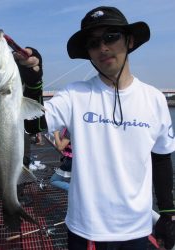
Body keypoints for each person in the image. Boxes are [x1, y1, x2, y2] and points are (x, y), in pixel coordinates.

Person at [14, 6, 175, 250]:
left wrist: (167, 212)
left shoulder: (154, 99)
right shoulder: (74, 94)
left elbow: (161, 158)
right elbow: (33, 123)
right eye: (93, 43)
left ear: (129, 41)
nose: (103, 47)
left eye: (111, 37)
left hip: (138, 229)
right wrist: (34, 79)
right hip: (87, 231)